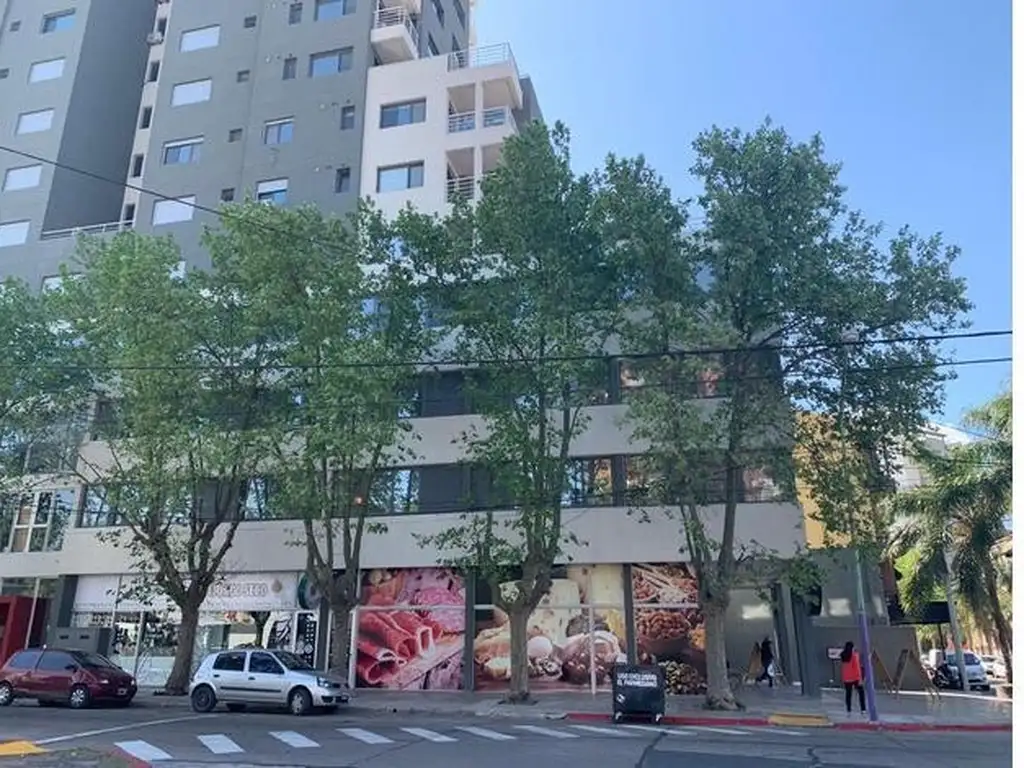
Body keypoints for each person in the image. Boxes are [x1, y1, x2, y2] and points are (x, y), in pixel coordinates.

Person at [840, 641, 867, 715]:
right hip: (855, 677)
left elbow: (843, 668)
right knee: (861, 693)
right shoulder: (854, 655)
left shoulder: (843, 656)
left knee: (848, 694)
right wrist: (860, 678)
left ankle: (848, 709)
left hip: (846, 678)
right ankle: (863, 709)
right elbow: (857, 668)